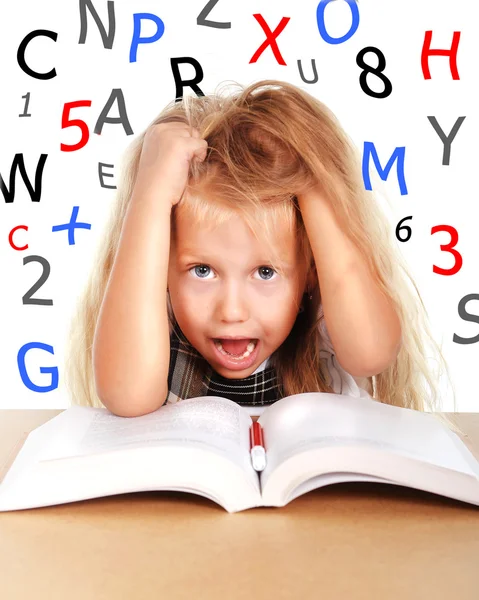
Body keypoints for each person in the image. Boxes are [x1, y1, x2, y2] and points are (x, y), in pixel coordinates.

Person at [64, 78, 461, 435]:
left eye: (265, 272)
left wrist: (313, 177)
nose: (232, 311)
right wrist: (149, 195)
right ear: (161, 268)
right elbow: (128, 395)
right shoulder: (152, 328)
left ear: (311, 272)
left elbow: (372, 352)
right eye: (202, 270)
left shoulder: (328, 327)